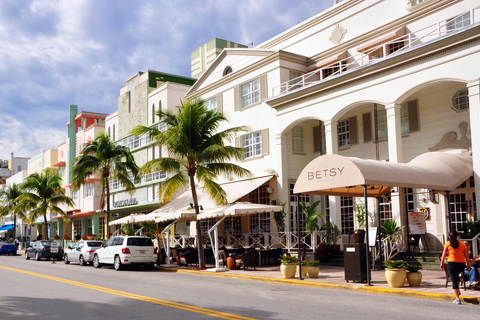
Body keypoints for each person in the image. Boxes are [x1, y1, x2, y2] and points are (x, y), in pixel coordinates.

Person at [440, 230, 472, 304]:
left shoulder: (447, 244)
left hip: (452, 263)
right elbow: (466, 256)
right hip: (461, 264)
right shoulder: (462, 244)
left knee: (454, 280)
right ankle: (457, 291)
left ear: (449, 236)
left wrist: (442, 263)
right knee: (456, 278)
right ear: (457, 236)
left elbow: (444, 254)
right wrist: (468, 265)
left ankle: (457, 298)